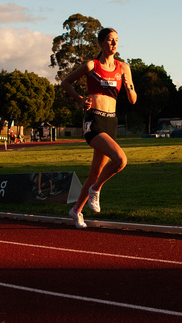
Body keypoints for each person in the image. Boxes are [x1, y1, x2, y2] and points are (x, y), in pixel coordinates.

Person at [61, 28, 137, 228]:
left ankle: (76, 210)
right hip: (94, 121)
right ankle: (96, 189)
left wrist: (128, 85)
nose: (114, 44)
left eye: (116, 41)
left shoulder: (124, 67)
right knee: (121, 160)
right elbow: (66, 82)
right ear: (101, 43)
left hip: (111, 121)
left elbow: (133, 100)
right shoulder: (91, 65)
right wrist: (80, 99)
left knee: (95, 171)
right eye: (110, 40)